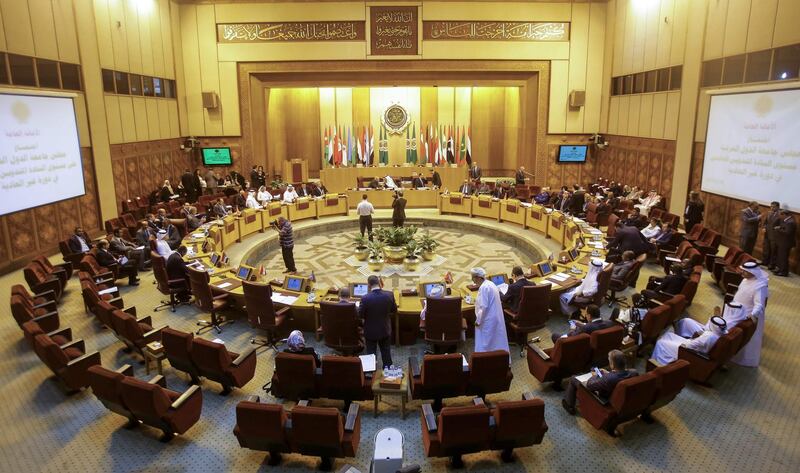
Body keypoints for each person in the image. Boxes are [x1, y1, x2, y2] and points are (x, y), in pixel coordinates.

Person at [562, 349, 637, 415]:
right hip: (619, 398)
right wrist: (607, 373)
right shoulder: (634, 372)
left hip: (603, 398)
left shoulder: (608, 379)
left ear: (612, 364)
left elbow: (589, 385)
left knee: (573, 378)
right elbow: (618, 376)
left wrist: (594, 375)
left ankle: (569, 405)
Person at [730, 261, 769, 367]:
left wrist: (751, 316)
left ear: (753, 272)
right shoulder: (746, 279)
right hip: (736, 312)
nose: (742, 272)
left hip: (746, 315)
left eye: (745, 271)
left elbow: (759, 304)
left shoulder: (760, 286)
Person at [652, 316, 726, 365]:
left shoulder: (709, 336)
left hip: (688, 352)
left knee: (661, 342)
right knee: (669, 335)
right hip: (694, 348)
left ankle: (657, 362)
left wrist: (692, 338)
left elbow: (690, 345)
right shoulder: (720, 333)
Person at [359, 275, 396, 369]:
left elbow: (360, 315)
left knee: (371, 353)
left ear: (368, 285)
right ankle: (388, 372)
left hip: (370, 331)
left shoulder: (365, 298)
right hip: (385, 329)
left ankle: (370, 373)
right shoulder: (389, 294)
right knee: (386, 351)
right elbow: (394, 310)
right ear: (379, 283)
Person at [471, 267, 511, 356]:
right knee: (497, 341)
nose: (472, 280)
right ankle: (500, 359)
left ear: (478, 277)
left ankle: (484, 360)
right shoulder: (490, 284)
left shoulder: (484, 288)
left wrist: (478, 321)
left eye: (473, 277)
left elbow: (483, 307)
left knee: (486, 343)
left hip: (487, 320)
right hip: (495, 318)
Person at [675, 302, 748, 339]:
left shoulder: (730, 323)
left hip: (707, 335)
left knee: (686, 321)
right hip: (710, 331)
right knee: (689, 321)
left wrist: (715, 316)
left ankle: (680, 334)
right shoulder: (736, 320)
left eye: (730, 310)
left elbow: (713, 330)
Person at [551, 305, 619, 342]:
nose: (585, 315)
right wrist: (582, 324)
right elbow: (593, 325)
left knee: (555, 335)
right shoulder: (610, 323)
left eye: (586, 314)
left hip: (573, 344)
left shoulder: (585, 328)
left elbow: (572, 338)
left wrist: (572, 329)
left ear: (589, 316)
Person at [773, 209, 796, 276]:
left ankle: (784, 272)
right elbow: (784, 228)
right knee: (780, 257)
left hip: (786, 243)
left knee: (783, 258)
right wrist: (780, 227)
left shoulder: (790, 222)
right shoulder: (786, 220)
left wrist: (778, 229)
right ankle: (780, 269)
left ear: (785, 215)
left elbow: (787, 232)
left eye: (780, 215)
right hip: (782, 242)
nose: (780, 216)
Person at [763, 201, 781, 269]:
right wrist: (764, 227)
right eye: (771, 206)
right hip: (767, 234)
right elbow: (765, 222)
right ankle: (765, 261)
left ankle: (772, 264)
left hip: (774, 236)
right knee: (766, 249)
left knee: (773, 251)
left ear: (778, 207)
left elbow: (781, 225)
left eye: (773, 207)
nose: (772, 208)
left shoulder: (780, 214)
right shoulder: (769, 213)